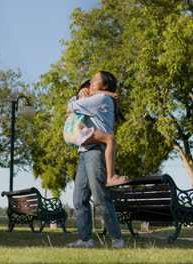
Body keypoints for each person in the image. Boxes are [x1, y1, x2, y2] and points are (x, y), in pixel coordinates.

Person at [66, 71, 125, 248]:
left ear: (105, 86)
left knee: (100, 197)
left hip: (95, 151)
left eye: (96, 80)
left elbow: (71, 107)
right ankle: (85, 240)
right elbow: (75, 101)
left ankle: (117, 239)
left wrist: (87, 95)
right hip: (85, 150)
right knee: (79, 198)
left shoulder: (102, 100)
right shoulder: (104, 96)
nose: (91, 82)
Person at [63, 80, 129, 187]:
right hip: (77, 132)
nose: (92, 87)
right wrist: (112, 94)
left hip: (70, 134)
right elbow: (70, 107)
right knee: (110, 139)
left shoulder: (77, 99)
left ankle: (111, 176)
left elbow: (69, 107)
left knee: (80, 199)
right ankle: (111, 176)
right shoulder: (85, 97)